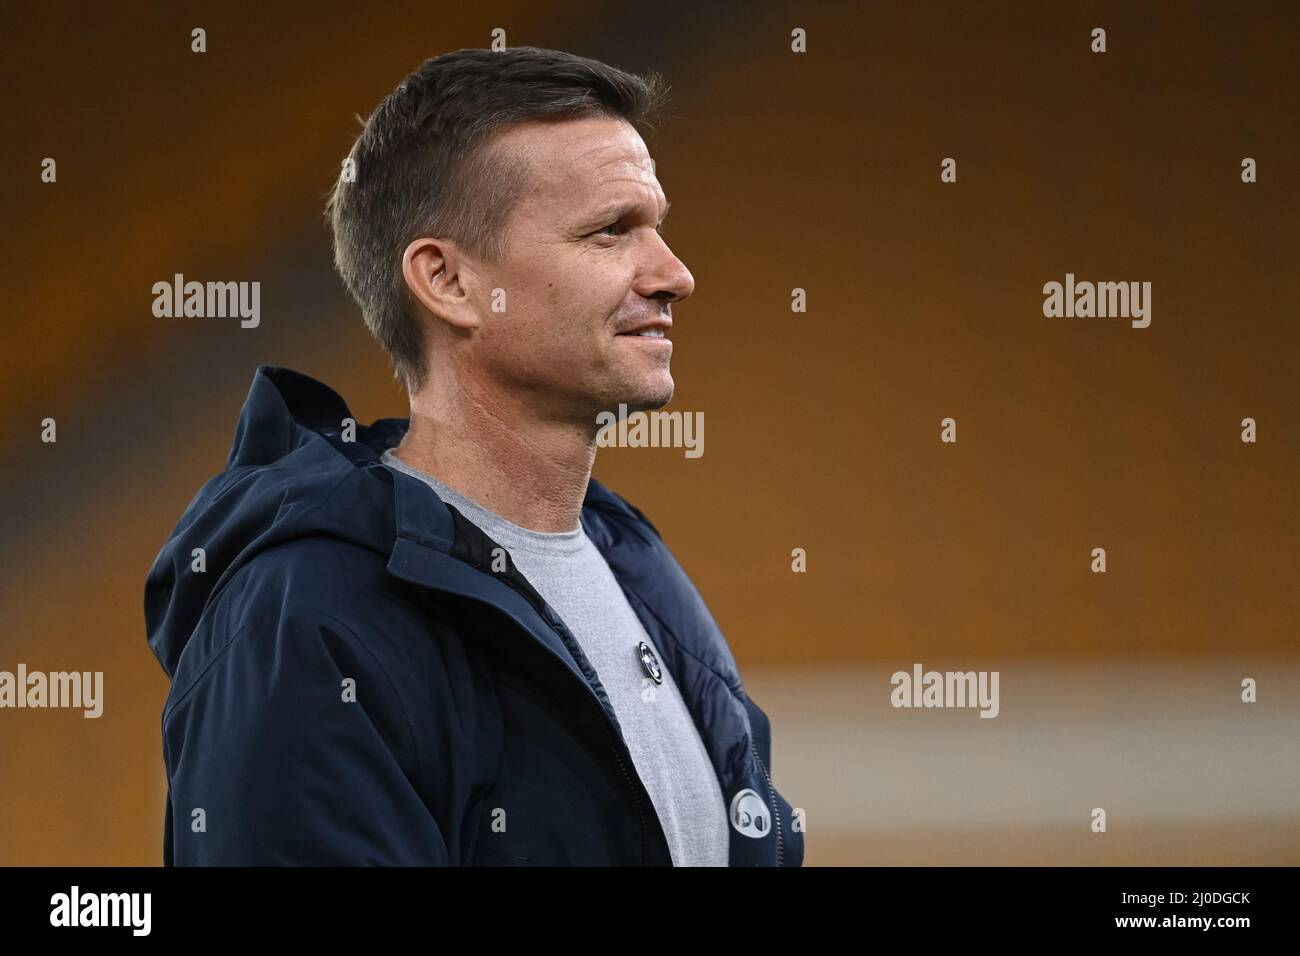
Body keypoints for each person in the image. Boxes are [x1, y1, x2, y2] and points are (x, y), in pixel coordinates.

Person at [144, 46, 802, 866]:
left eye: (657, 227)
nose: (675, 273)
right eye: (611, 232)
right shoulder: (305, 621)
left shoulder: (633, 561)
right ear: (448, 282)